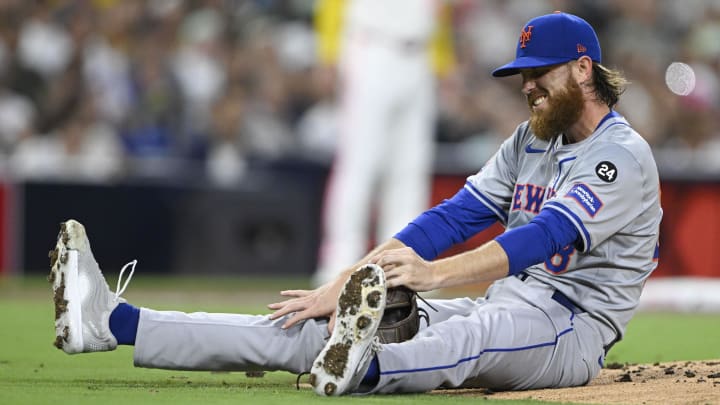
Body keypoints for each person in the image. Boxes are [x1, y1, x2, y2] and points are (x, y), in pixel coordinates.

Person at [50, 12, 662, 396]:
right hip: (506, 301)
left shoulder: (622, 155)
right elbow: (450, 219)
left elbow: (544, 237)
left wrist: (435, 276)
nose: (526, 85)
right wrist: (345, 284)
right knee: (307, 326)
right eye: (521, 73)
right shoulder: (531, 139)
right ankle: (111, 322)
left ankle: (363, 373)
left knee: (475, 334)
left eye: (540, 71)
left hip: (569, 328)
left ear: (584, 71)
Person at [311, 0, 455, 286]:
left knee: (410, 170)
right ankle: (338, 265)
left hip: (419, 55)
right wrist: (328, 52)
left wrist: (442, 60)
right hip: (371, 47)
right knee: (359, 165)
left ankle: (401, 267)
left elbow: (437, 8)